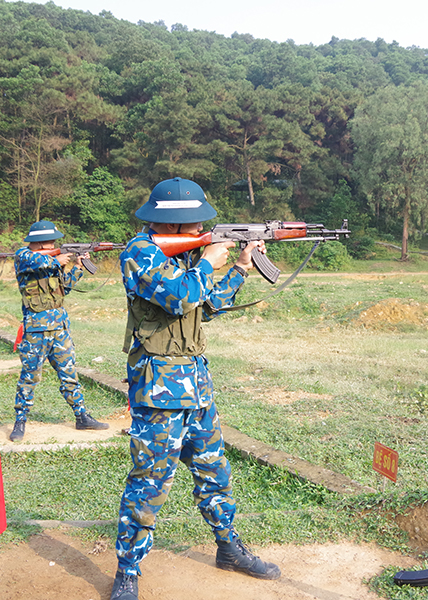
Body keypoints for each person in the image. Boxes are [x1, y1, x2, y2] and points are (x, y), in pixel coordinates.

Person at [110, 178, 280, 600]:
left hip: (196, 382)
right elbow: (177, 297)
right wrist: (208, 261)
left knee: (214, 471)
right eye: (197, 224)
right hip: (158, 387)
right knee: (150, 480)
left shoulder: (186, 259)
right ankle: (128, 571)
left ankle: (228, 547)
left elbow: (206, 304)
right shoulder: (139, 254)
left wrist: (240, 267)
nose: (202, 228)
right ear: (179, 225)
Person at [10, 220, 109, 441]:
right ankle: (20, 420)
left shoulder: (51, 263)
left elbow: (65, 288)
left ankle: (82, 416)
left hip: (60, 328)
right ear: (40, 243)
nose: (55, 243)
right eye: (51, 242)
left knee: (70, 375)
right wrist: (56, 258)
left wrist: (78, 266)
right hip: (36, 330)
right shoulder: (24, 256)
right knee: (29, 377)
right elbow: (35, 260)